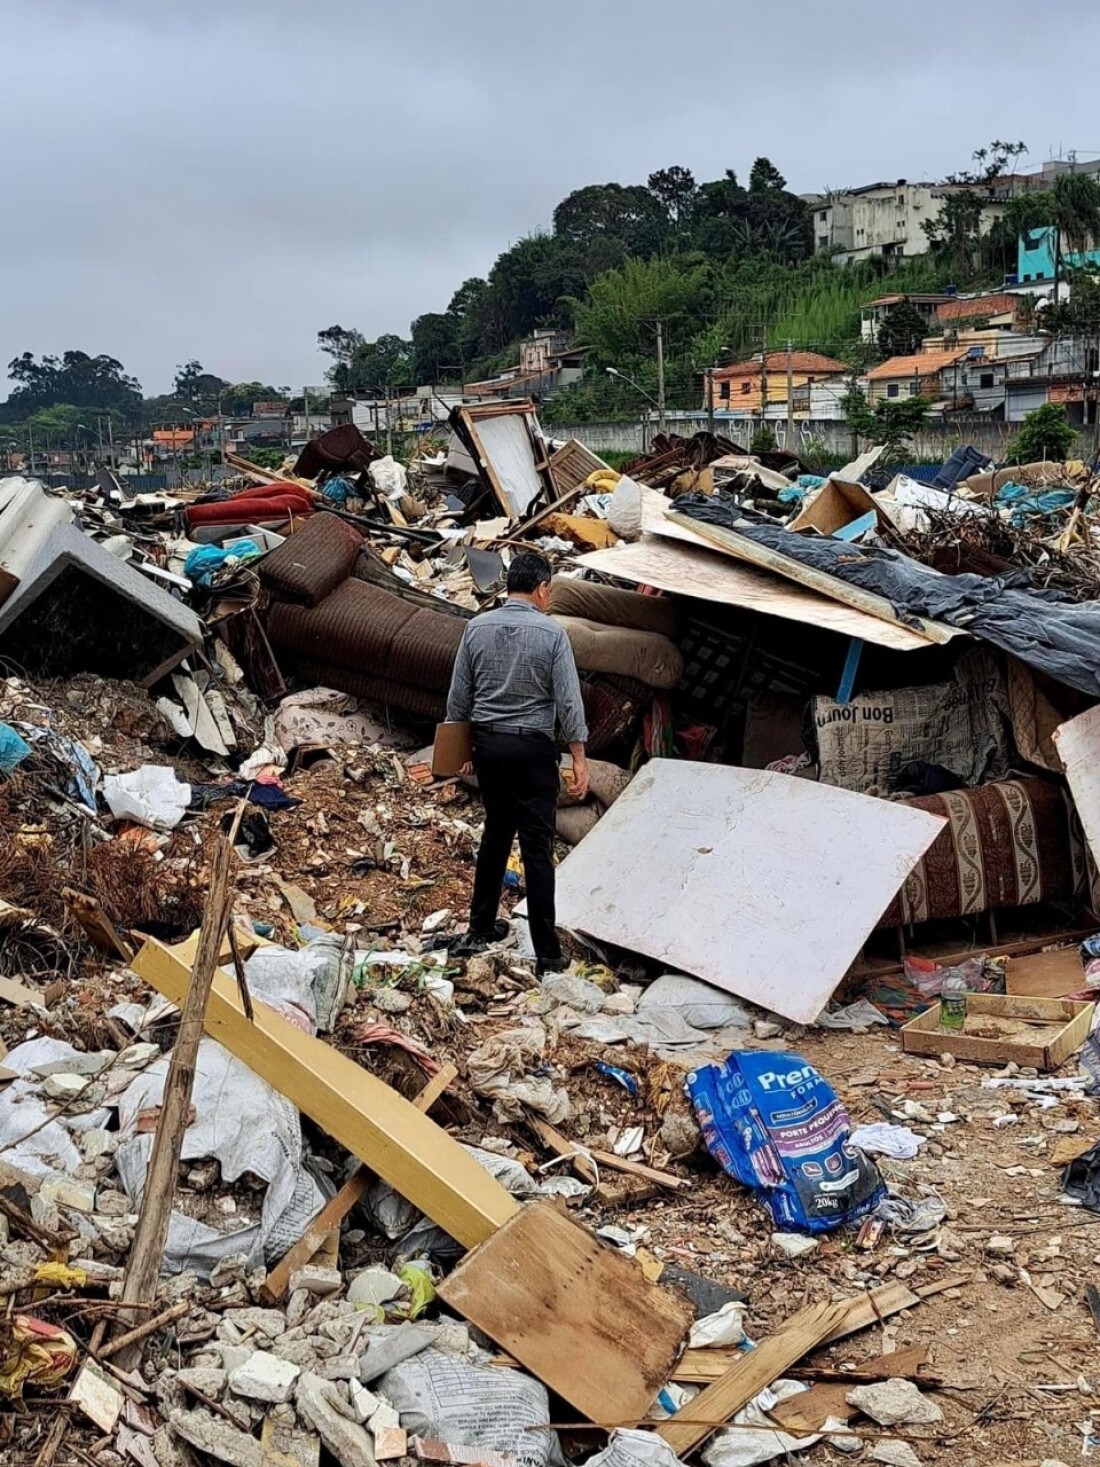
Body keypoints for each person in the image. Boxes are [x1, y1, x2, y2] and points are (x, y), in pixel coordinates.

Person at [445, 550, 588, 975]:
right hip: (532, 751)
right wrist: (579, 757)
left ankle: (480, 927)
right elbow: (568, 701)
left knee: (495, 835)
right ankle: (547, 952)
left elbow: (459, 698)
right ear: (543, 589)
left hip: (489, 748)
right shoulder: (552, 635)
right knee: (537, 849)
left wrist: (462, 751)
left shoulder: (476, 627)